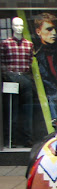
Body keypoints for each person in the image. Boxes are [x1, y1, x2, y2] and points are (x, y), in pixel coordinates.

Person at [1, 17, 35, 147]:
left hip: (25, 77)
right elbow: (2, 63)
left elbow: (30, 62)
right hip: (11, 78)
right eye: (16, 25)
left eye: (21, 25)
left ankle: (28, 139)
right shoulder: (6, 44)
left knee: (28, 111)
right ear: (12, 27)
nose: (19, 28)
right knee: (11, 111)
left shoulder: (29, 44)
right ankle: (10, 139)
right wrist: (7, 76)